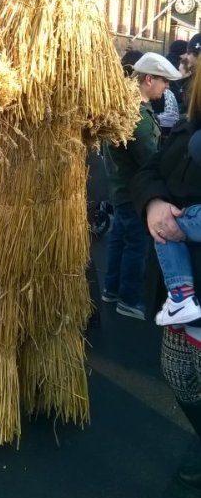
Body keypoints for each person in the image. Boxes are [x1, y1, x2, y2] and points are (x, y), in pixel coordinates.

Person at [132, 62, 201, 490]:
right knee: (179, 375)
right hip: (178, 288)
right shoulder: (189, 124)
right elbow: (150, 169)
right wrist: (154, 203)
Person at [102, 52, 181, 319]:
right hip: (135, 192)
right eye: (164, 81)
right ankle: (129, 298)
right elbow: (149, 159)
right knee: (136, 245)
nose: (167, 87)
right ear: (149, 79)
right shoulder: (140, 117)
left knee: (119, 240)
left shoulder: (125, 108)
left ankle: (111, 290)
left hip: (119, 188)